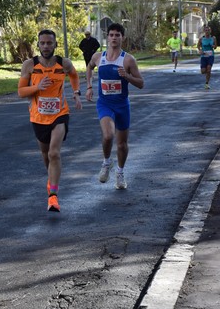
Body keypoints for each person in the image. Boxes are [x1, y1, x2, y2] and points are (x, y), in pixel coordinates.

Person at [18, 29, 82, 212]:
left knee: (54, 153)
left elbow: (74, 75)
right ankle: (51, 182)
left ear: (55, 44)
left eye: (49, 43)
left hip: (60, 114)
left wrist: (76, 94)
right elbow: (21, 92)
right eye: (43, 43)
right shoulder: (29, 65)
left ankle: (53, 196)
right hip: (38, 117)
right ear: (38, 45)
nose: (46, 46)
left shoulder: (64, 63)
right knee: (46, 156)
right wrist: (37, 87)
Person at [86, 22, 144, 189]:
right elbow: (89, 68)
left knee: (122, 144)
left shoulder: (128, 59)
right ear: (107, 37)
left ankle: (120, 172)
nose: (114, 38)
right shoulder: (98, 57)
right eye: (111, 35)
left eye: (117, 35)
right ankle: (106, 162)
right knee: (108, 135)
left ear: (122, 38)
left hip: (122, 106)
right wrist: (89, 86)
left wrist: (127, 76)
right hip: (104, 104)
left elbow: (141, 83)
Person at [197, 25, 217, 89]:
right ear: (204, 31)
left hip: (211, 55)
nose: (207, 31)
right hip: (204, 56)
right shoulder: (201, 39)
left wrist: (214, 46)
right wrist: (200, 51)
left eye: (208, 30)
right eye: (206, 30)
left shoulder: (213, 38)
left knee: (208, 69)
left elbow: (215, 46)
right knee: (203, 71)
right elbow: (198, 46)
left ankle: (207, 83)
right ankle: (205, 71)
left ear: (210, 31)